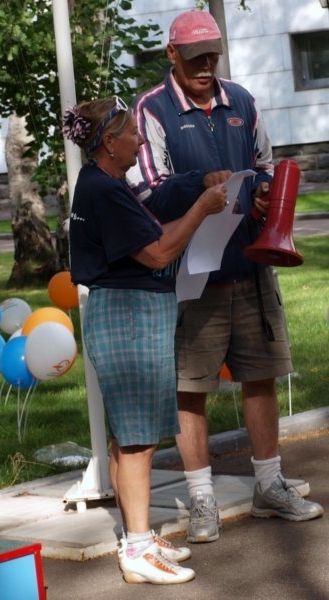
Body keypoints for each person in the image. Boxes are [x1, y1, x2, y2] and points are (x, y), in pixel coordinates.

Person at [127, 9, 324, 545]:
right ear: (172, 55)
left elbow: (264, 164)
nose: (205, 66)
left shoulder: (242, 100)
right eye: (195, 57)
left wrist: (262, 192)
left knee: (261, 374)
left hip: (250, 264)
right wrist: (200, 183)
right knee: (190, 387)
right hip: (191, 275)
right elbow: (146, 192)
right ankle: (202, 498)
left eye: (212, 55)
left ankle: (270, 485)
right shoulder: (151, 108)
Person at [63, 96, 227, 584]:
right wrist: (202, 208)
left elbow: (152, 236)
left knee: (129, 437)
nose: (140, 141)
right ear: (110, 143)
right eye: (133, 133)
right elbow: (157, 253)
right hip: (128, 315)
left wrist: (196, 212)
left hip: (129, 313)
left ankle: (138, 537)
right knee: (137, 441)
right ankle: (136, 548)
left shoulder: (104, 184)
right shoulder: (105, 189)